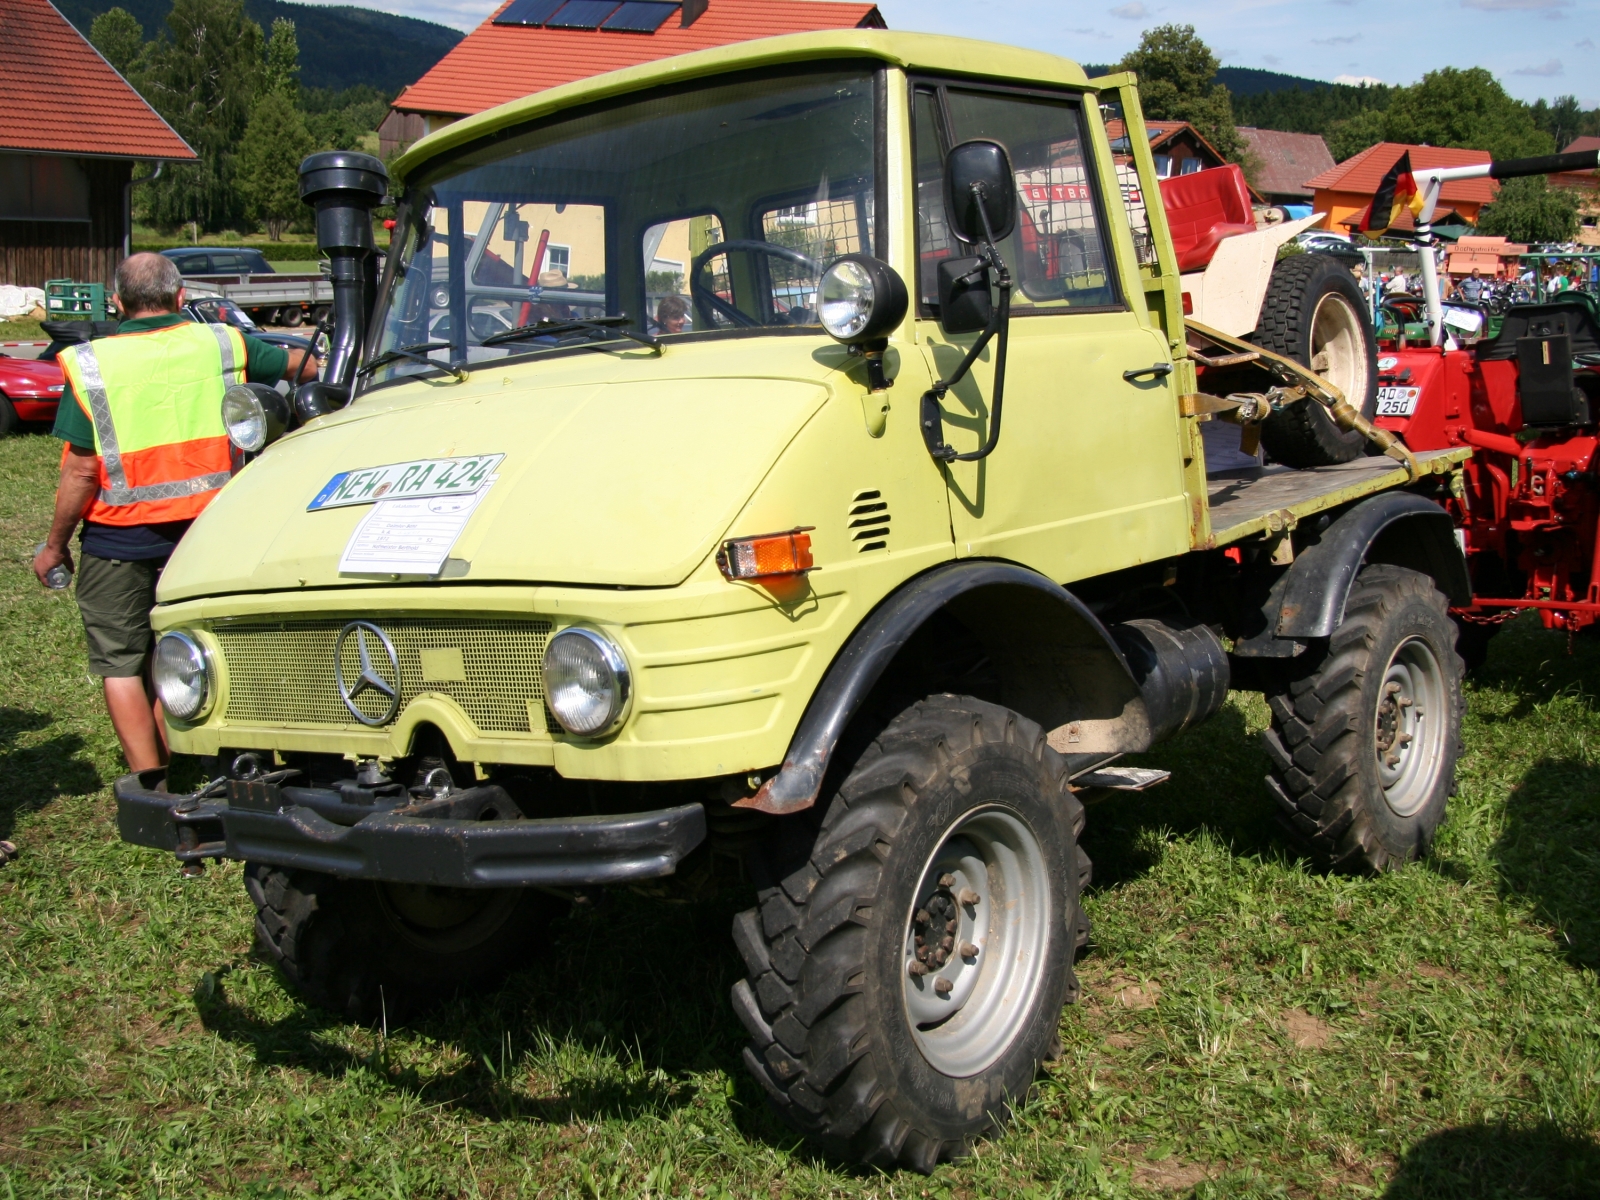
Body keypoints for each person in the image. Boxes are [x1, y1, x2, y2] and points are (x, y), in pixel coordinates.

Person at [31, 253, 318, 773]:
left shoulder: (90, 362)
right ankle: (213, 757)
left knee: (120, 662)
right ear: (181, 298)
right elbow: (308, 367)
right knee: (205, 642)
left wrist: (54, 544)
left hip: (118, 540)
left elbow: (80, 469)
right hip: (209, 533)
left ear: (117, 303)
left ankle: (151, 780)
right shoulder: (223, 342)